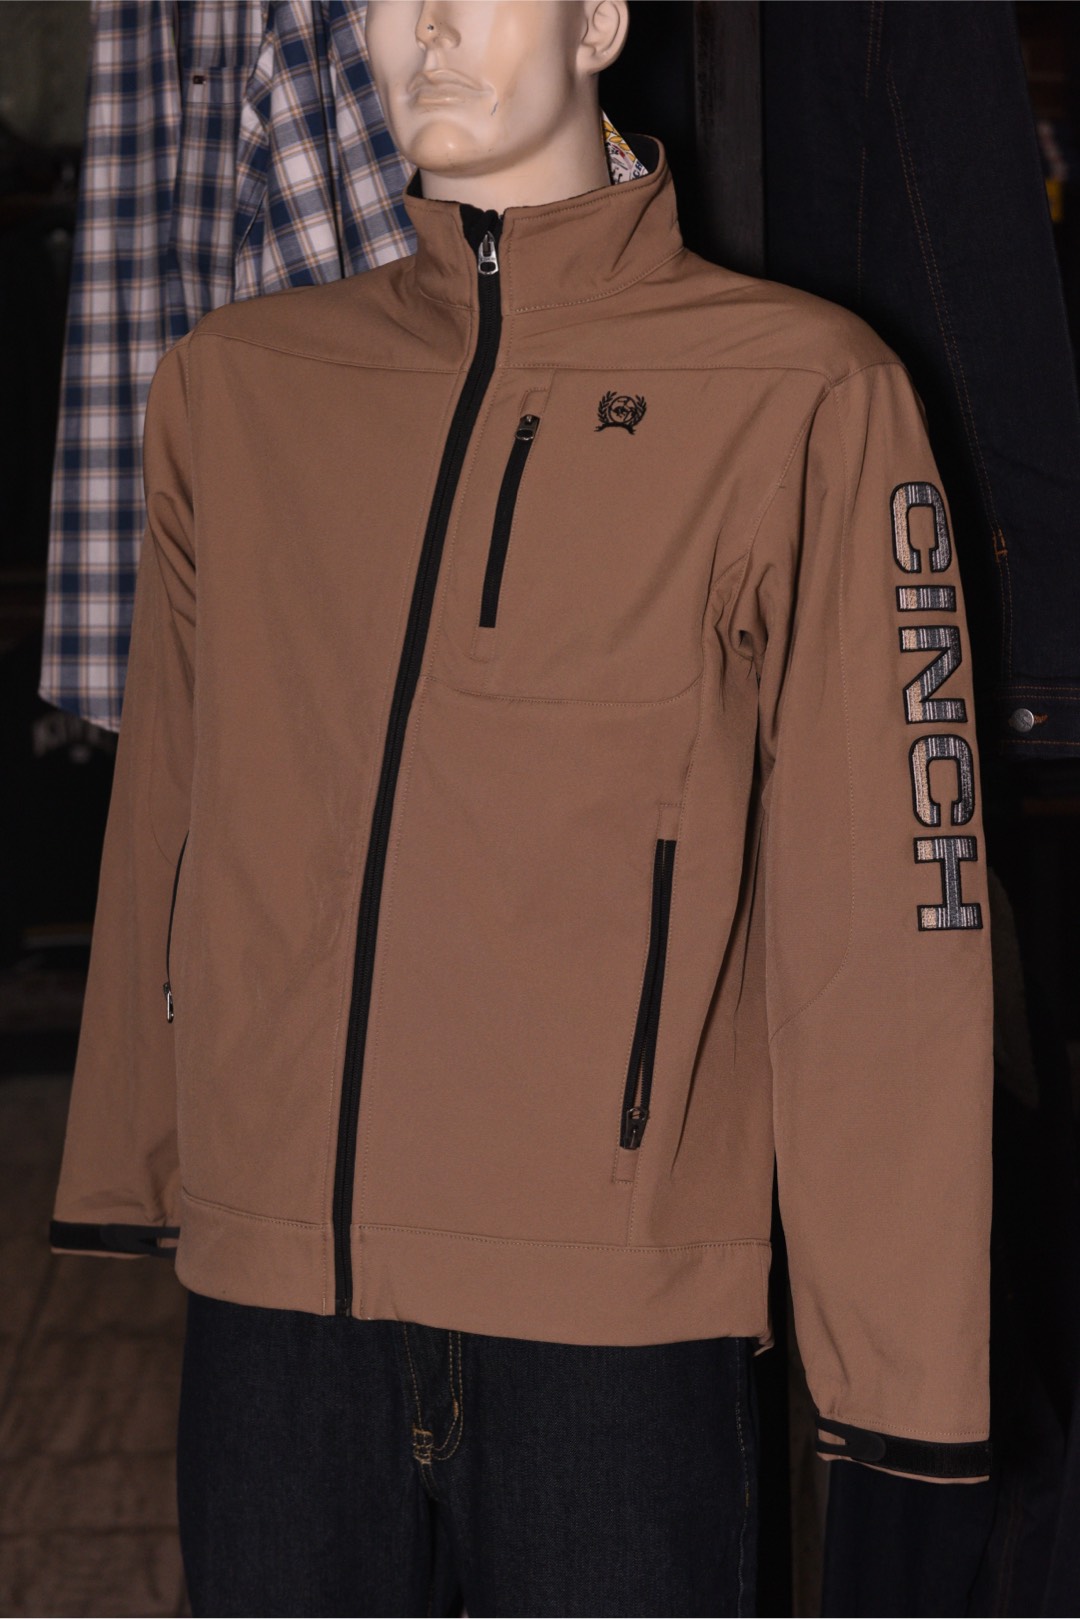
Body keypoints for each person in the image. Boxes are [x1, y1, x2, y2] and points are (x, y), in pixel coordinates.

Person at [49, 4, 994, 1614]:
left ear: (600, 19)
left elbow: (886, 923)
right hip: (277, 1305)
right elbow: (173, 806)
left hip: (611, 1330)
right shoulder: (241, 384)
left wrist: (905, 1385)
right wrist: (132, 1161)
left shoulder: (801, 391)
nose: (419, 31)